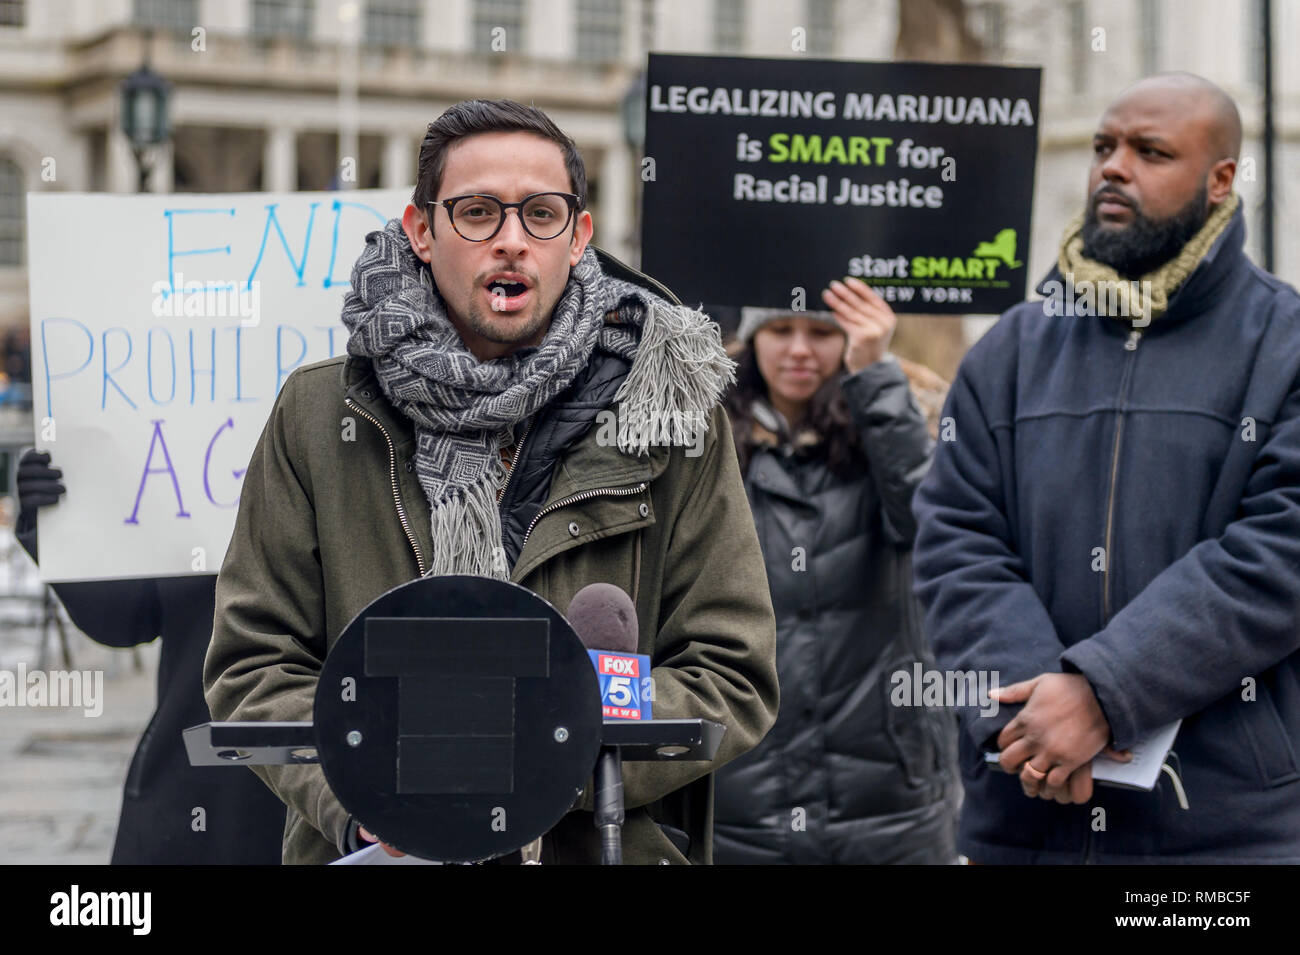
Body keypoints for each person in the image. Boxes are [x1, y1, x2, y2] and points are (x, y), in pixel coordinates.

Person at [203, 99, 779, 865]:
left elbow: (730, 670)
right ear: (421, 229)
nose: (511, 241)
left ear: (578, 237)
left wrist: (540, 756)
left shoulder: (668, 410)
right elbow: (253, 665)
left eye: (541, 215)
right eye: (477, 212)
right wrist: (369, 799)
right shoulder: (319, 413)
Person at [912, 73, 1300, 863]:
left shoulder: (1284, 343)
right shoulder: (1013, 349)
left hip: (1223, 833)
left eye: (1150, 151)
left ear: (1221, 178)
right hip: (1024, 812)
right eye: (1103, 147)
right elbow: (956, 539)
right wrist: (1037, 714)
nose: (1112, 168)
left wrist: (1105, 692)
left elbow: (1279, 552)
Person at [711, 288, 959, 864]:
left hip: (892, 798)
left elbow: (935, 530)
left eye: (822, 333)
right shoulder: (706, 443)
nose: (800, 350)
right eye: (780, 331)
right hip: (744, 799)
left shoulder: (896, 425)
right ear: (752, 340)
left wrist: (874, 374)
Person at [14, 449, 285, 864]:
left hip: (342, 795)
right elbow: (125, 616)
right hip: (198, 794)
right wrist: (55, 527)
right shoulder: (189, 470)